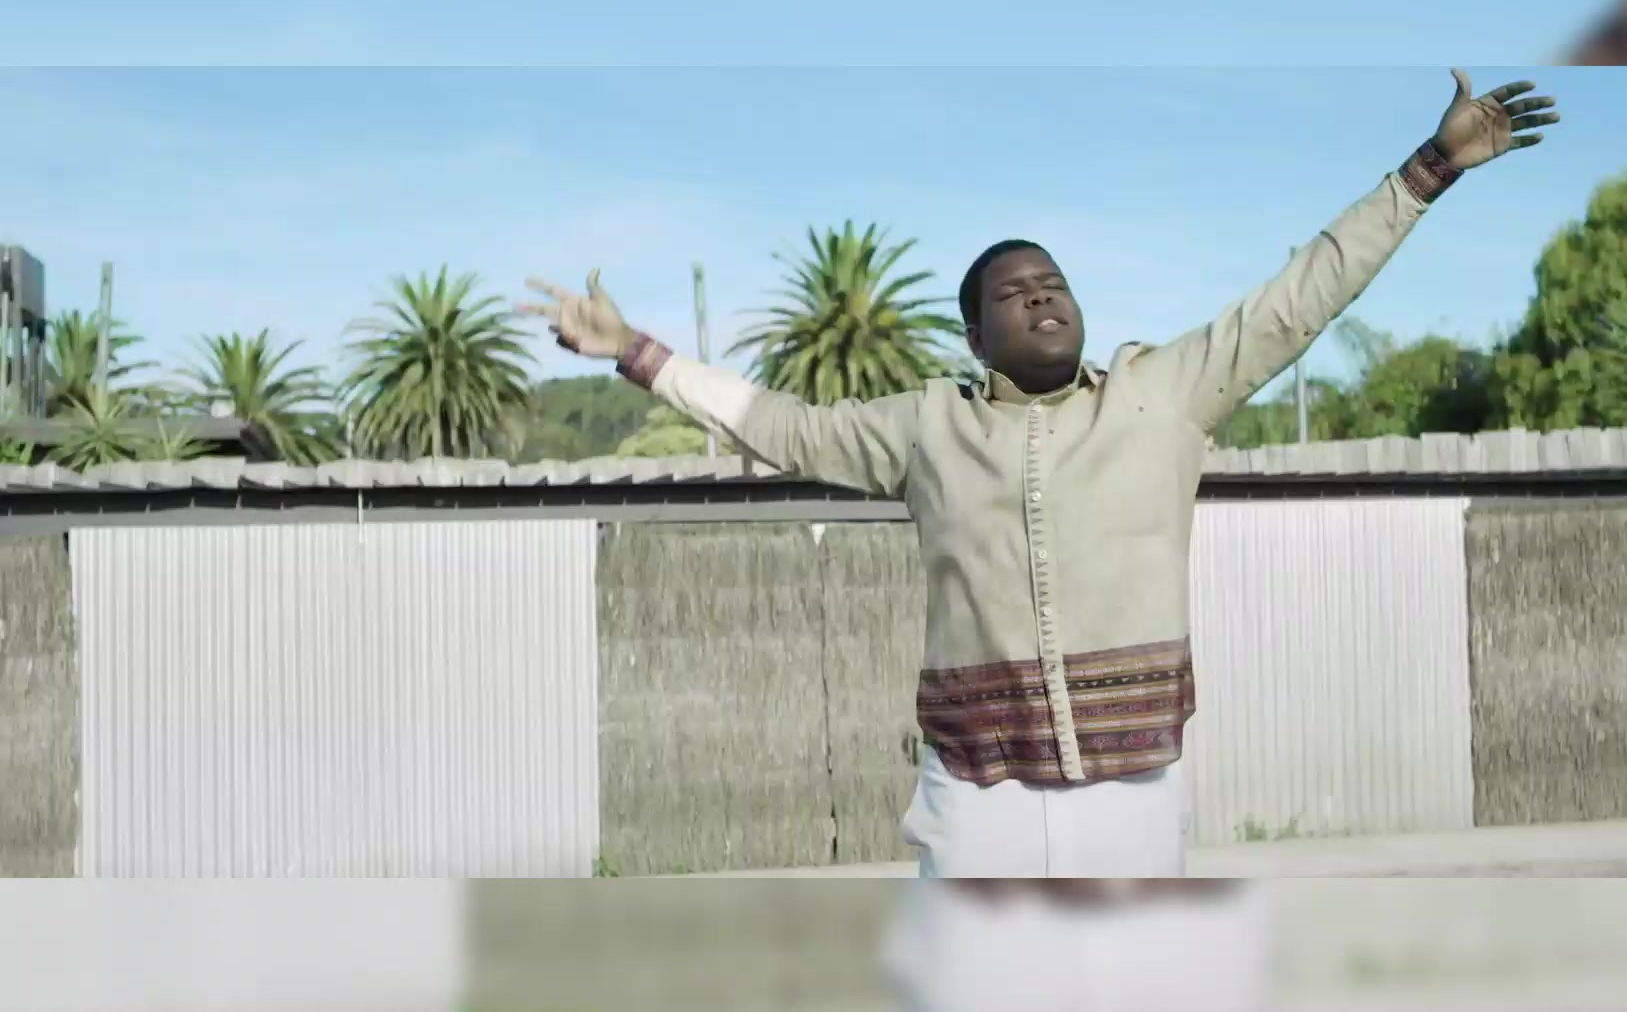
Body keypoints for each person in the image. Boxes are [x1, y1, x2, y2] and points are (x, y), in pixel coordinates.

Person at [521, 68, 1559, 880]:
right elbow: (779, 426)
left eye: (1053, 283)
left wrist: (1430, 166)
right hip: (979, 803)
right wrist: (637, 352)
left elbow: (1300, 297)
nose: (1040, 296)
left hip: (1133, 797)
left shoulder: (1165, 394)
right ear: (975, 337)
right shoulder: (924, 428)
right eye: (1013, 293)